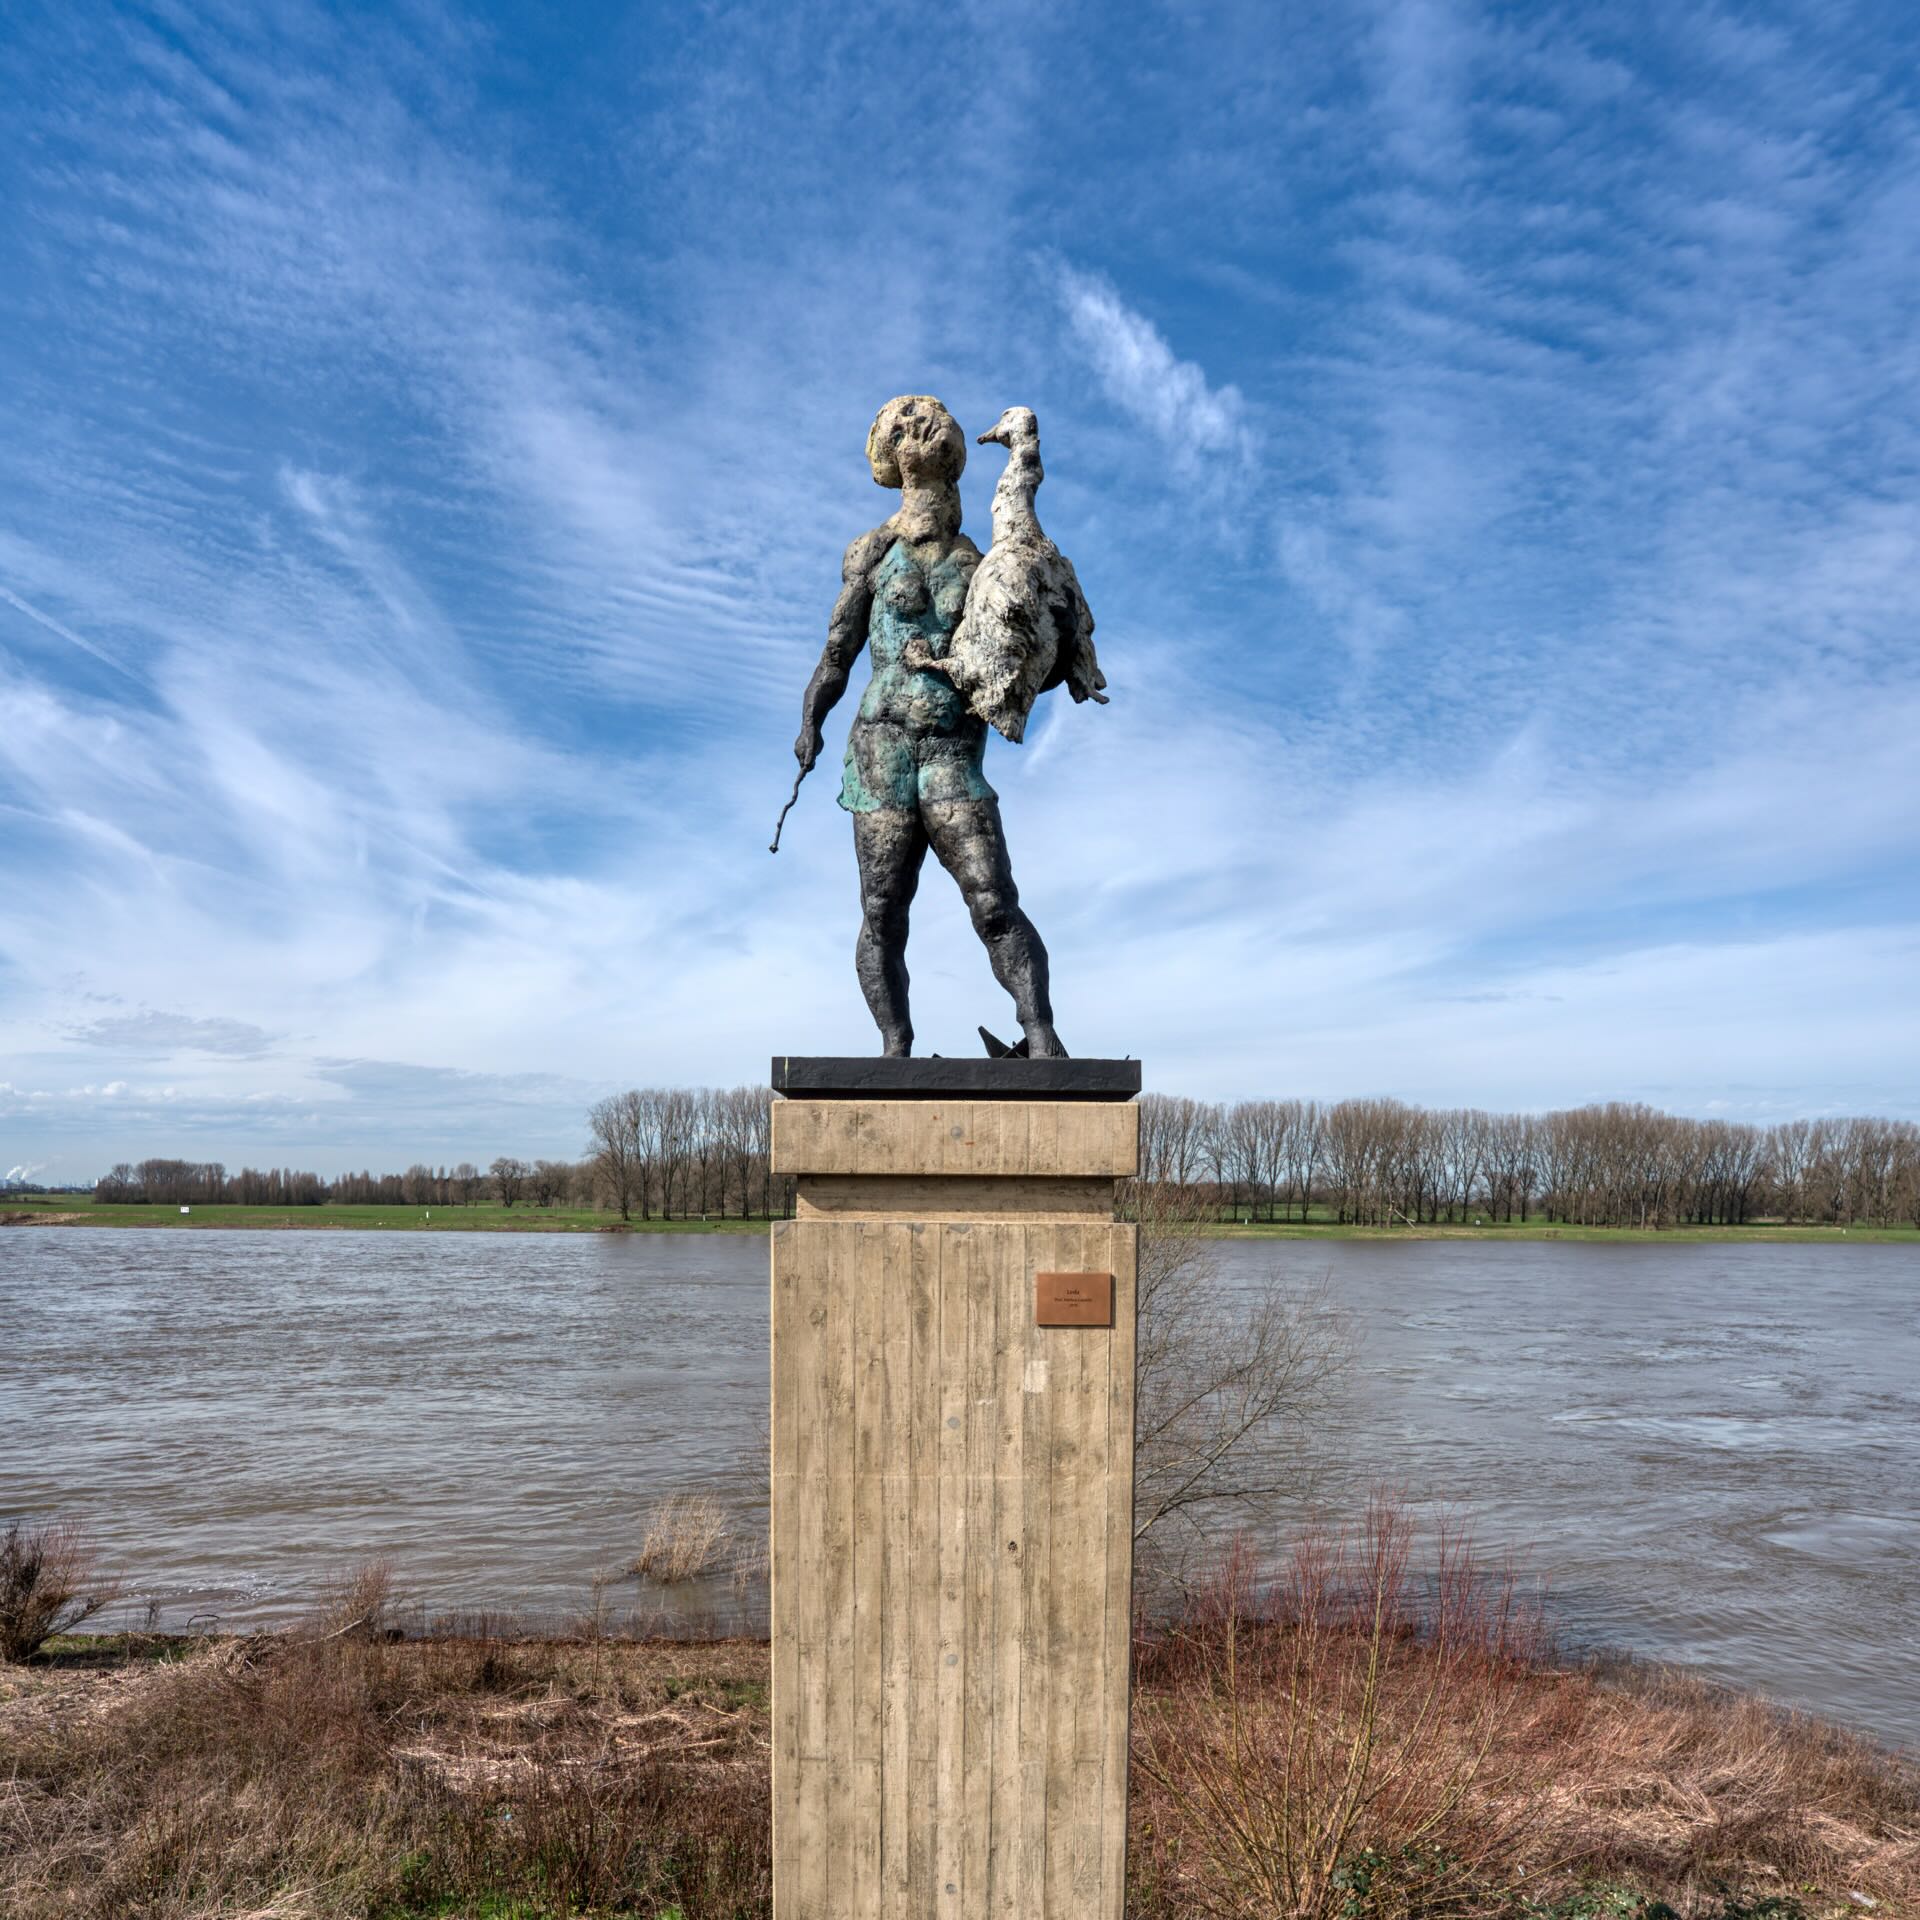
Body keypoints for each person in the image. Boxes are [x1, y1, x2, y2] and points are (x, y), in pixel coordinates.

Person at [793, 394, 1062, 1058]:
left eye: (927, 424)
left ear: (952, 452)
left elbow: (1035, 651)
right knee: (882, 913)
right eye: (901, 427)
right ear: (887, 454)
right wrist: (811, 722)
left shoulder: (984, 564)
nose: (916, 431)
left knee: (994, 901)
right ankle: (895, 1046)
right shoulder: (871, 552)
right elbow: (837, 651)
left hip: (949, 751)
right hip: (881, 750)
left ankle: (1041, 1034)